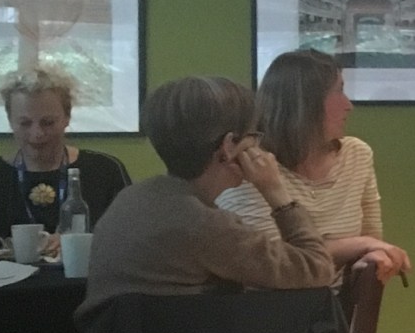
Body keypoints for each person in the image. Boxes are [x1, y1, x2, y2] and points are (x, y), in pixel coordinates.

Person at [75, 76, 335, 319]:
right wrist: (277, 193)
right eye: (253, 136)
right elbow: (318, 268)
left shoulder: (131, 199)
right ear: (229, 145)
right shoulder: (205, 225)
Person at [217, 50, 410, 282]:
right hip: (265, 311)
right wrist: (358, 244)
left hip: (332, 311)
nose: (349, 105)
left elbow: (374, 240)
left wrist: (374, 251)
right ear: (305, 103)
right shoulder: (251, 167)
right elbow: (273, 264)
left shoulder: (357, 155)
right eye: (339, 91)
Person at [0, 68, 131, 251]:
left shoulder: (105, 171)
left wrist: (80, 244)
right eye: (25, 123)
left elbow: (132, 239)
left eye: (48, 122)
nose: (37, 134)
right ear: (10, 121)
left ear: (67, 118)